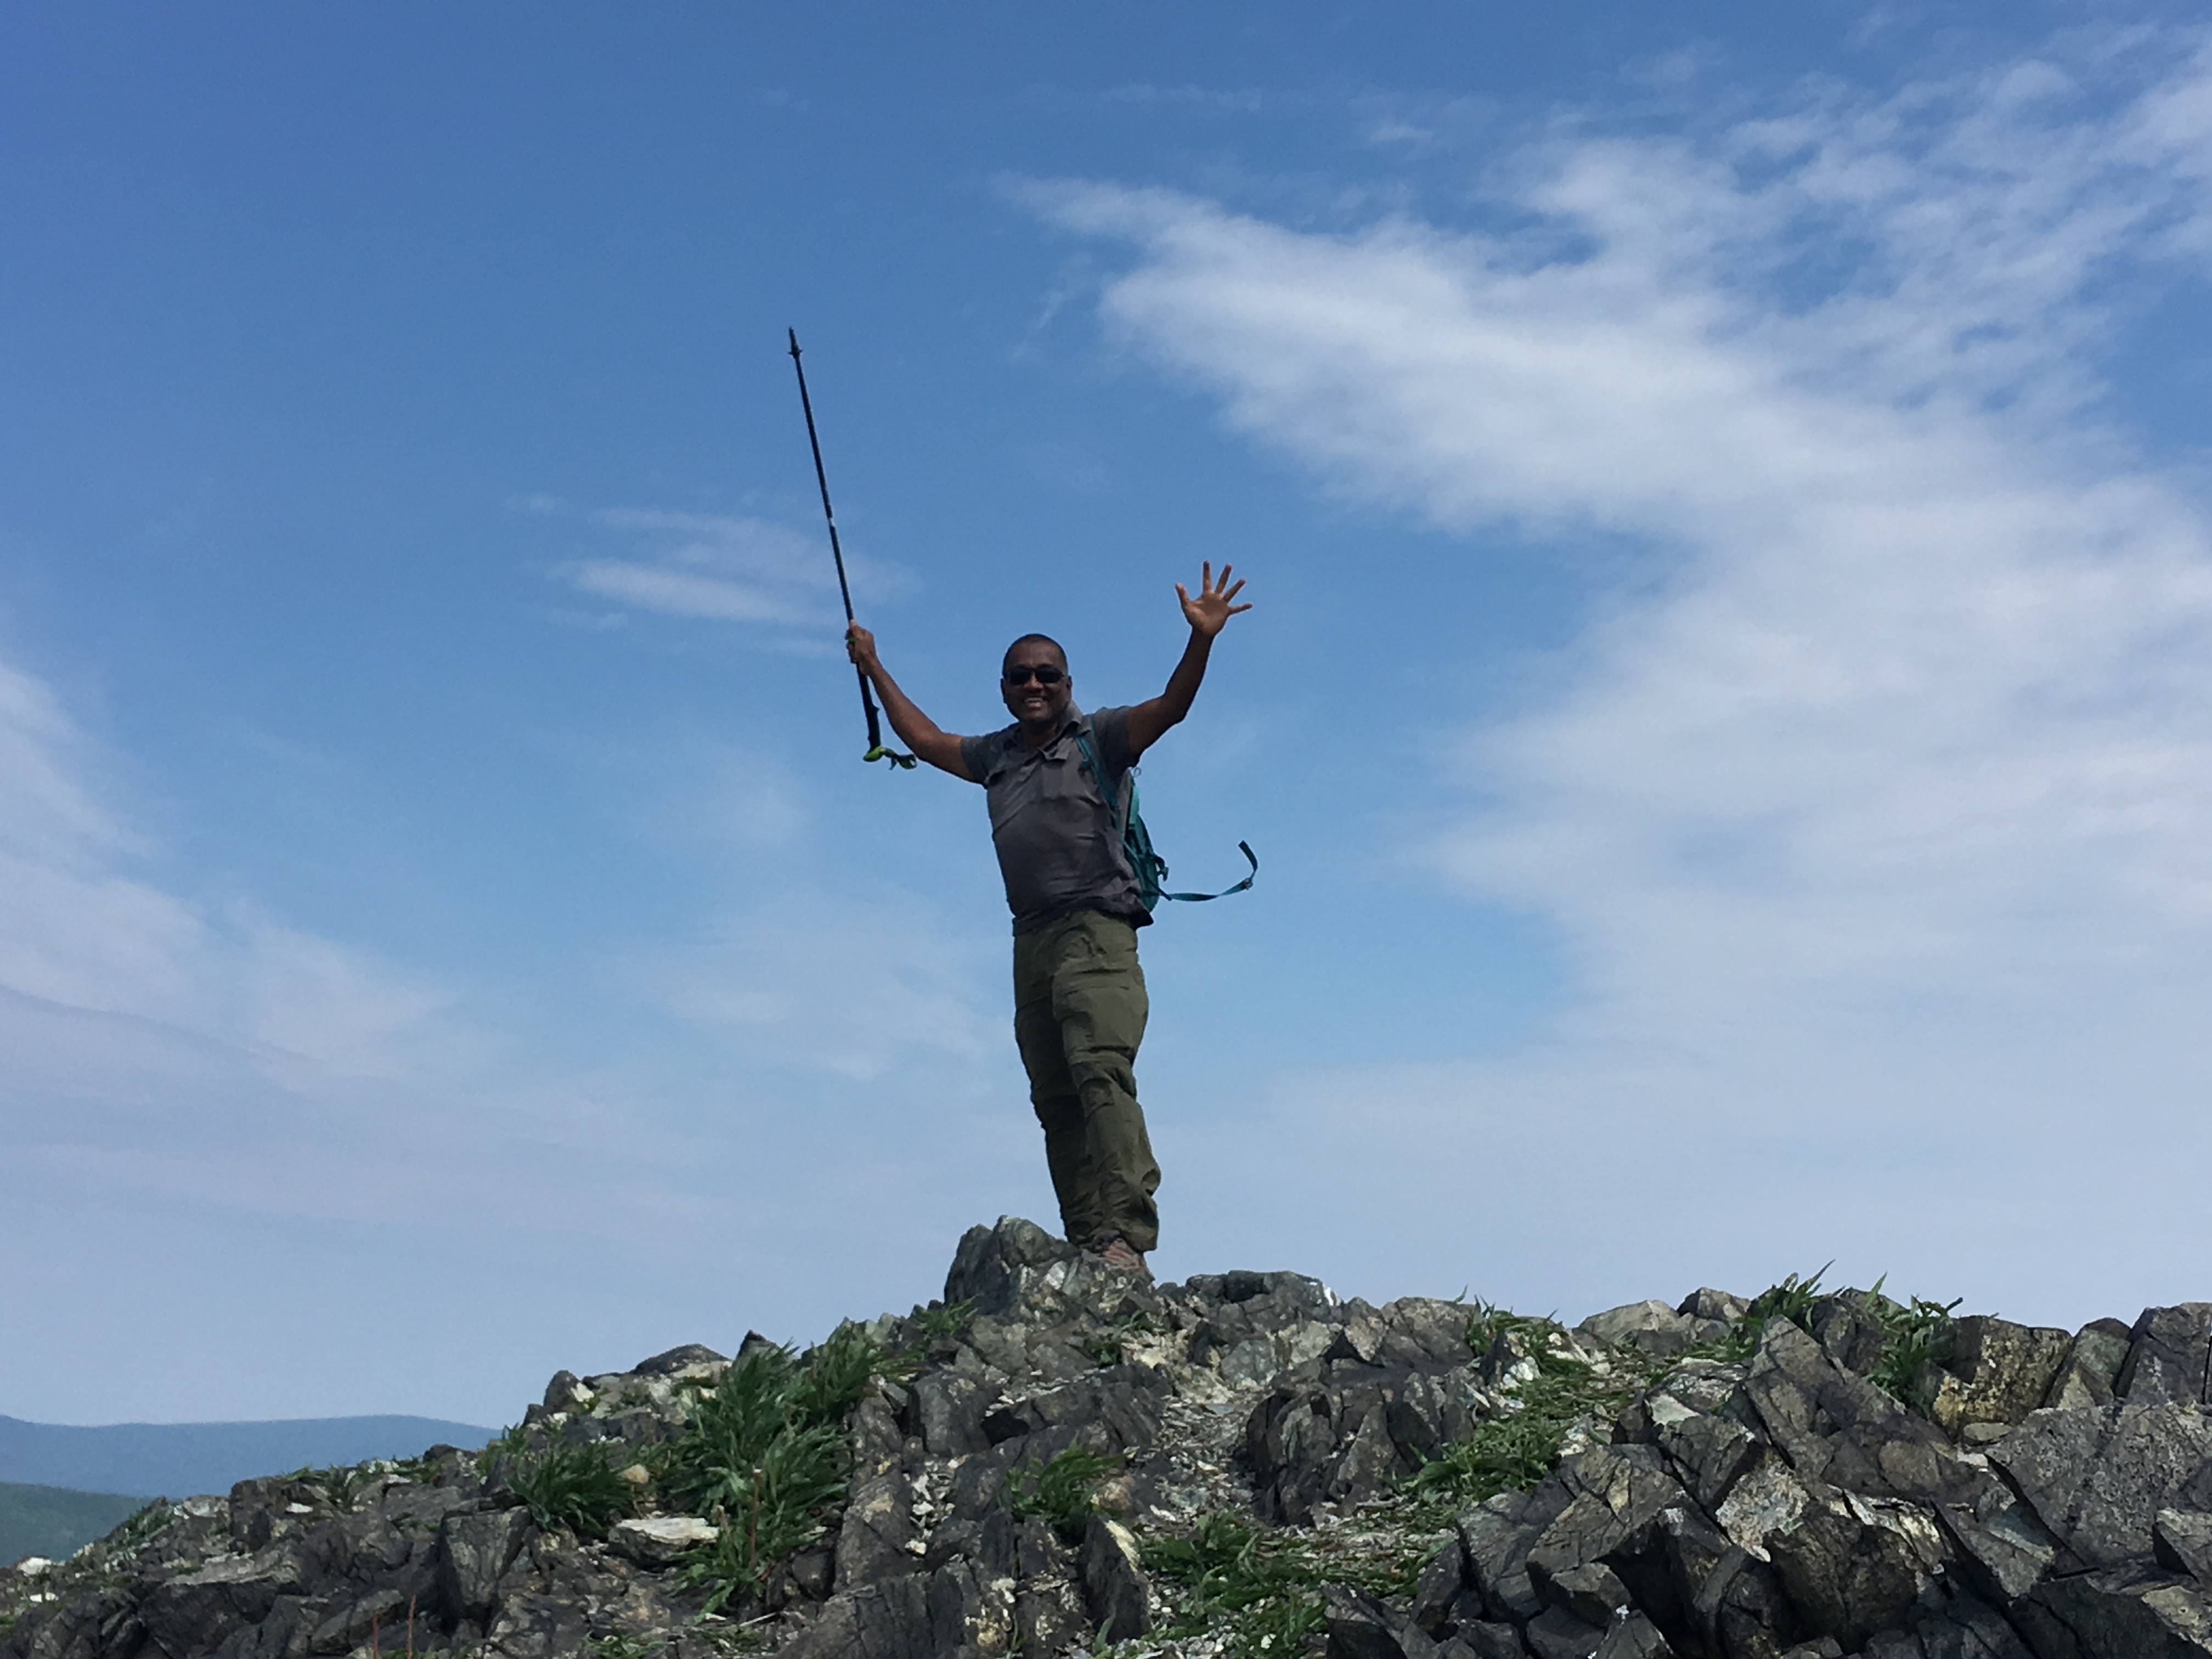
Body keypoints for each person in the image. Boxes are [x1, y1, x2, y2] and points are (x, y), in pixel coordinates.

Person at [845, 563, 1252, 1275]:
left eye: (1047, 675)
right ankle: (1091, 1238)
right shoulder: (996, 756)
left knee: (1100, 1073)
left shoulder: (1102, 737)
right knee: (1055, 1096)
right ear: (1004, 688)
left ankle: (1129, 1237)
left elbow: (1172, 708)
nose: (1034, 685)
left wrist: (1203, 640)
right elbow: (928, 740)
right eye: (1020, 677)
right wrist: (873, 665)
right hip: (1030, 941)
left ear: (1067, 684)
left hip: (1098, 931)